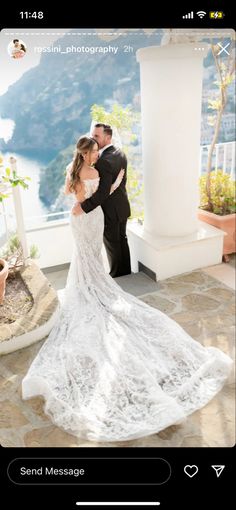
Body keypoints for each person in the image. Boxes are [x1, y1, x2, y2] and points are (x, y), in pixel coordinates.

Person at [22, 135, 233, 443]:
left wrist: (85, 198)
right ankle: (95, 283)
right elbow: (103, 194)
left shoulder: (72, 170)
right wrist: (117, 181)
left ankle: (87, 284)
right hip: (92, 218)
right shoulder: (95, 172)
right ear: (89, 153)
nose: (96, 154)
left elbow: (70, 194)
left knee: (83, 256)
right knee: (92, 254)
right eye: (93, 151)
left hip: (77, 219)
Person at [72, 123, 131, 277]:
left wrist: (83, 207)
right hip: (122, 207)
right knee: (122, 242)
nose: (93, 138)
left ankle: (118, 277)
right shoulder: (120, 153)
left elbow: (102, 193)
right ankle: (127, 275)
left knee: (113, 246)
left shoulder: (102, 160)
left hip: (109, 211)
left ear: (108, 137)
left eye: (97, 136)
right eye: (93, 135)